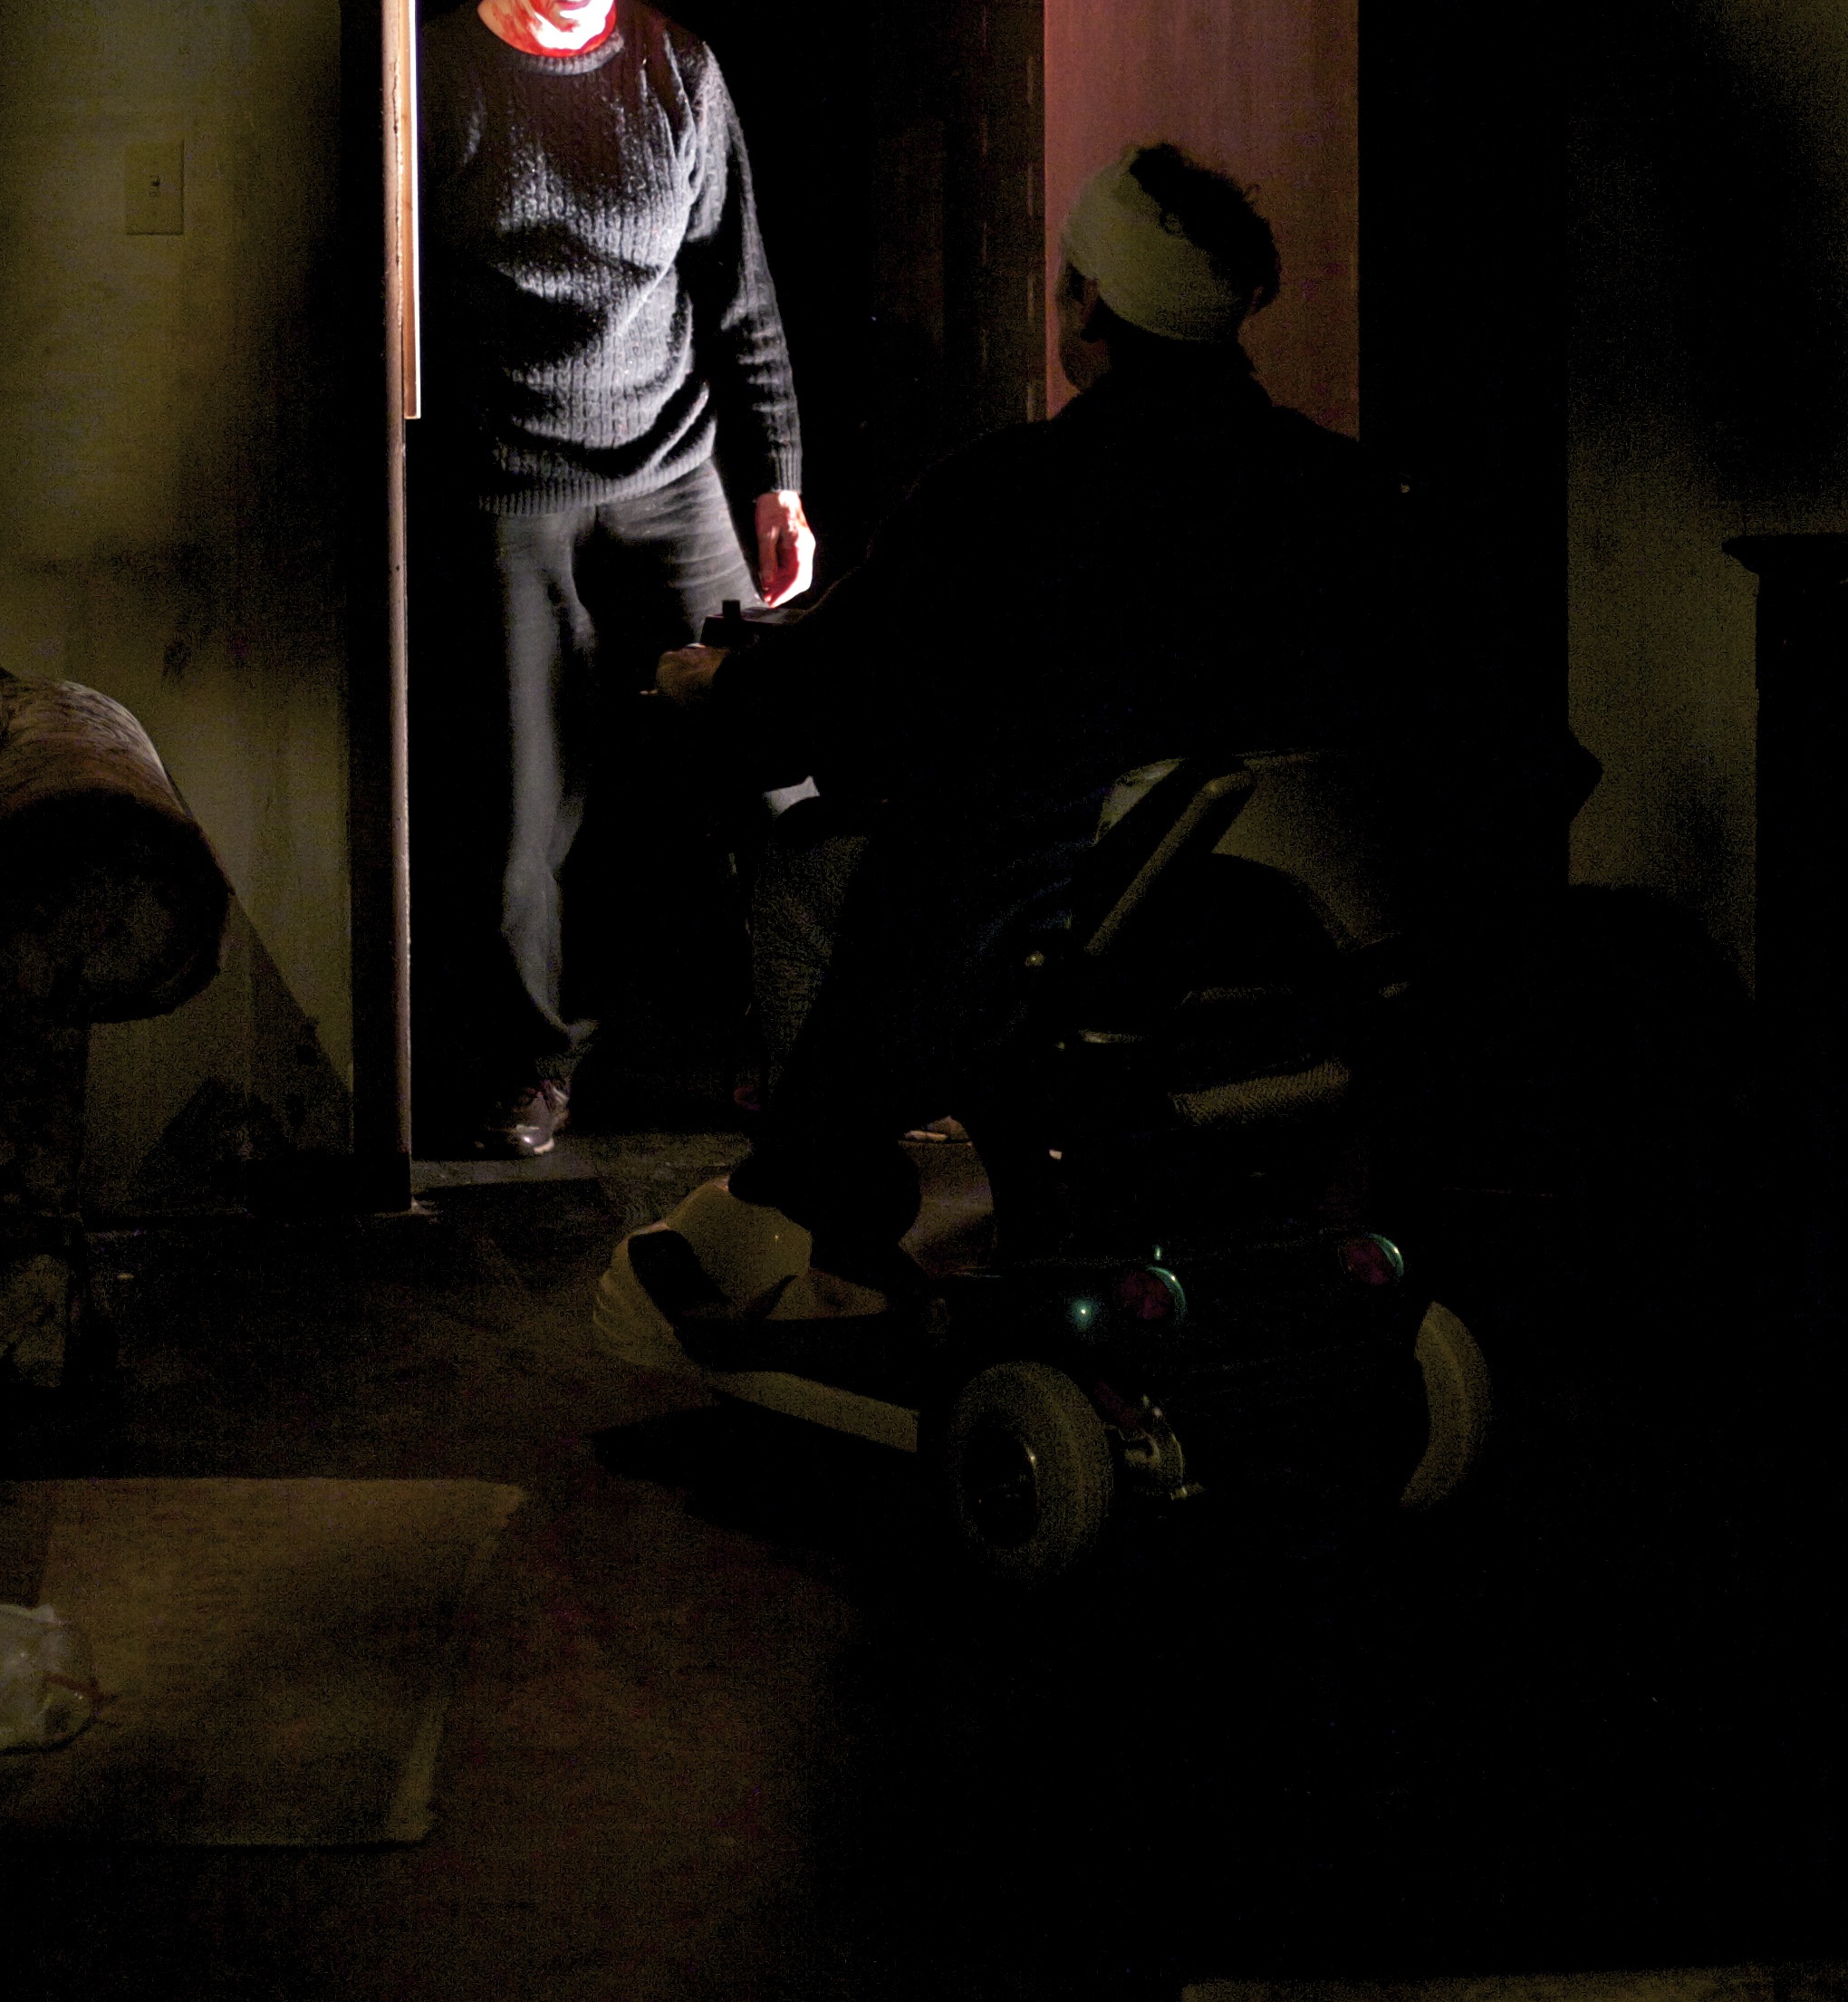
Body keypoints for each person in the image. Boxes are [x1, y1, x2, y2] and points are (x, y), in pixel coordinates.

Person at [593, 140, 1412, 1357]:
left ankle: (833, 1222)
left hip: (1074, 938)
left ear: (1089, 304)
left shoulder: (1015, 495)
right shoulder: (1343, 492)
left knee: (809, 868)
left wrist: (714, 686)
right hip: (1293, 945)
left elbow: (816, 709)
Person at [416, 0, 814, 1155]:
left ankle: (797, 1046)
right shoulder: (440, 78)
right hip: (511, 485)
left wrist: (778, 479)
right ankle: (534, 1063)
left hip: (670, 466)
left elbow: (740, 289)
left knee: (769, 764)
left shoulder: (679, 73)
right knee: (521, 815)